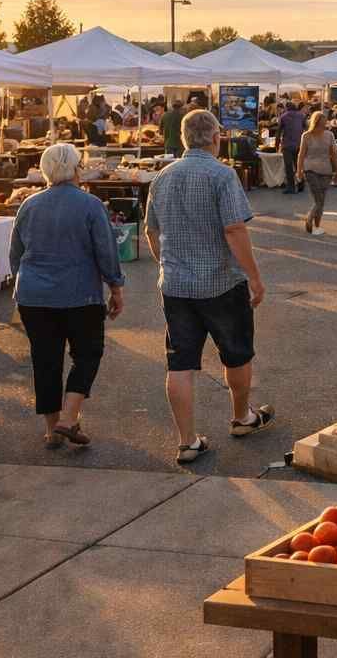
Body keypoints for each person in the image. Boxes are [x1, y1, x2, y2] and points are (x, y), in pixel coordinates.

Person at [145, 109, 273, 465]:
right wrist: (255, 276)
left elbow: (151, 231)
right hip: (220, 281)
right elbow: (234, 229)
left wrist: (166, 263)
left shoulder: (163, 177)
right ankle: (241, 416)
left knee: (180, 362)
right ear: (216, 138)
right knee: (236, 352)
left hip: (176, 285)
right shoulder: (222, 175)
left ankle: (187, 441)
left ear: (184, 138)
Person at [10, 142, 125, 450]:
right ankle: (69, 417)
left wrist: (21, 288)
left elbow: (15, 254)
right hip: (79, 294)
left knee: (45, 360)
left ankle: (52, 430)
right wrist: (115, 287)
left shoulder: (29, 205)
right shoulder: (90, 205)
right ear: (75, 169)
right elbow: (106, 251)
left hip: (33, 295)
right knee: (87, 353)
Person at [296, 109, 337, 236]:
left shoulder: (328, 135)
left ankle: (317, 226)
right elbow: (301, 155)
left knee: (320, 200)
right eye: (323, 121)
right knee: (319, 199)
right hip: (313, 170)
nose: (325, 123)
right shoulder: (307, 136)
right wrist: (299, 170)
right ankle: (310, 219)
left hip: (323, 170)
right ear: (318, 122)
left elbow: (333, 155)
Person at [279, 101, 307, 194]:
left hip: (287, 145)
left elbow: (279, 131)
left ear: (287, 108)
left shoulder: (283, 116)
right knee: (298, 165)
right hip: (299, 144)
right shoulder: (302, 116)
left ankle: (290, 187)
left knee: (288, 166)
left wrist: (276, 144)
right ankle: (301, 184)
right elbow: (306, 128)